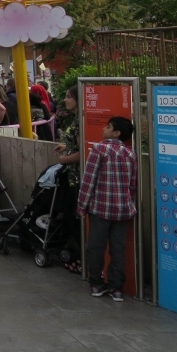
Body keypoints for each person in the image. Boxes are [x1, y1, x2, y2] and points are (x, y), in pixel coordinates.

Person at [77, 116, 137, 302]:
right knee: (118, 249)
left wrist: (81, 205)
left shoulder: (99, 149)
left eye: (108, 126)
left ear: (116, 133)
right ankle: (116, 288)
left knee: (96, 247)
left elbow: (88, 180)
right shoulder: (131, 154)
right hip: (123, 210)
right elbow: (132, 185)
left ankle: (96, 284)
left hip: (100, 209)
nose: (104, 128)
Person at [54, 86, 83, 274]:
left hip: (76, 178)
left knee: (75, 219)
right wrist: (66, 146)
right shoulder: (77, 119)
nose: (65, 100)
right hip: (74, 177)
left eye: (68, 97)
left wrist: (65, 159)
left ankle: (81, 259)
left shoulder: (81, 121)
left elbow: (84, 152)